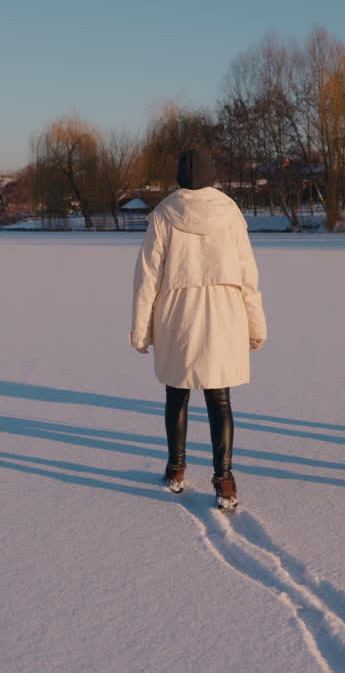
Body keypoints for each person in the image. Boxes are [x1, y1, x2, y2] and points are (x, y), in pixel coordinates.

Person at [131, 149, 266, 511]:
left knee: (177, 393)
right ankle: (225, 479)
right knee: (219, 397)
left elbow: (147, 276)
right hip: (224, 312)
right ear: (211, 174)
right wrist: (255, 324)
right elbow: (247, 272)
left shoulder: (163, 213)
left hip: (178, 313)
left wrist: (141, 329)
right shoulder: (230, 212)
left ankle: (176, 469)